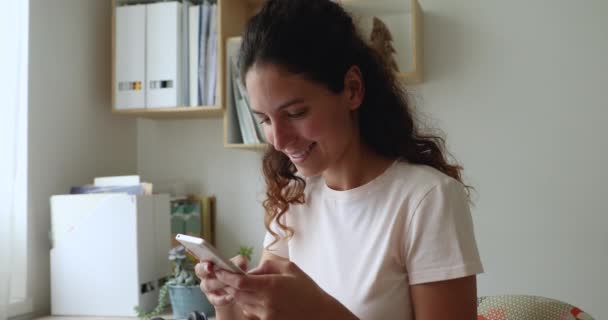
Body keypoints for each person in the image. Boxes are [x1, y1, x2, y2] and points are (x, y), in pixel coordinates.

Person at [195, 0, 483, 319]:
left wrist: (319, 310)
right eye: (264, 119)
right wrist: (228, 303)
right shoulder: (293, 201)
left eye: (295, 113)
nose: (277, 139)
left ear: (352, 89)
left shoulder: (427, 200)